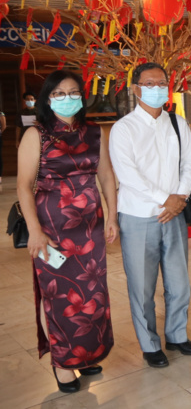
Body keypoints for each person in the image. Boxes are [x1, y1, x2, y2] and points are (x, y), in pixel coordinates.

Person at [16, 70, 118, 393]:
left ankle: (84, 355)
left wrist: (112, 217)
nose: (67, 98)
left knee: (92, 296)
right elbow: (23, 185)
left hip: (90, 230)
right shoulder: (37, 135)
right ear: (48, 98)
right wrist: (34, 230)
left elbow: (106, 177)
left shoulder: (93, 131)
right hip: (52, 230)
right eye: (59, 93)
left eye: (73, 92)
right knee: (59, 296)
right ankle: (62, 363)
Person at [109, 62, 191, 367]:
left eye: (162, 83)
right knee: (142, 286)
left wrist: (179, 199)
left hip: (173, 214)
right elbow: (128, 174)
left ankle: (176, 335)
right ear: (136, 89)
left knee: (179, 282)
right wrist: (166, 200)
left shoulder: (177, 123)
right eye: (149, 84)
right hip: (138, 217)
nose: (156, 88)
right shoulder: (123, 129)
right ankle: (150, 345)